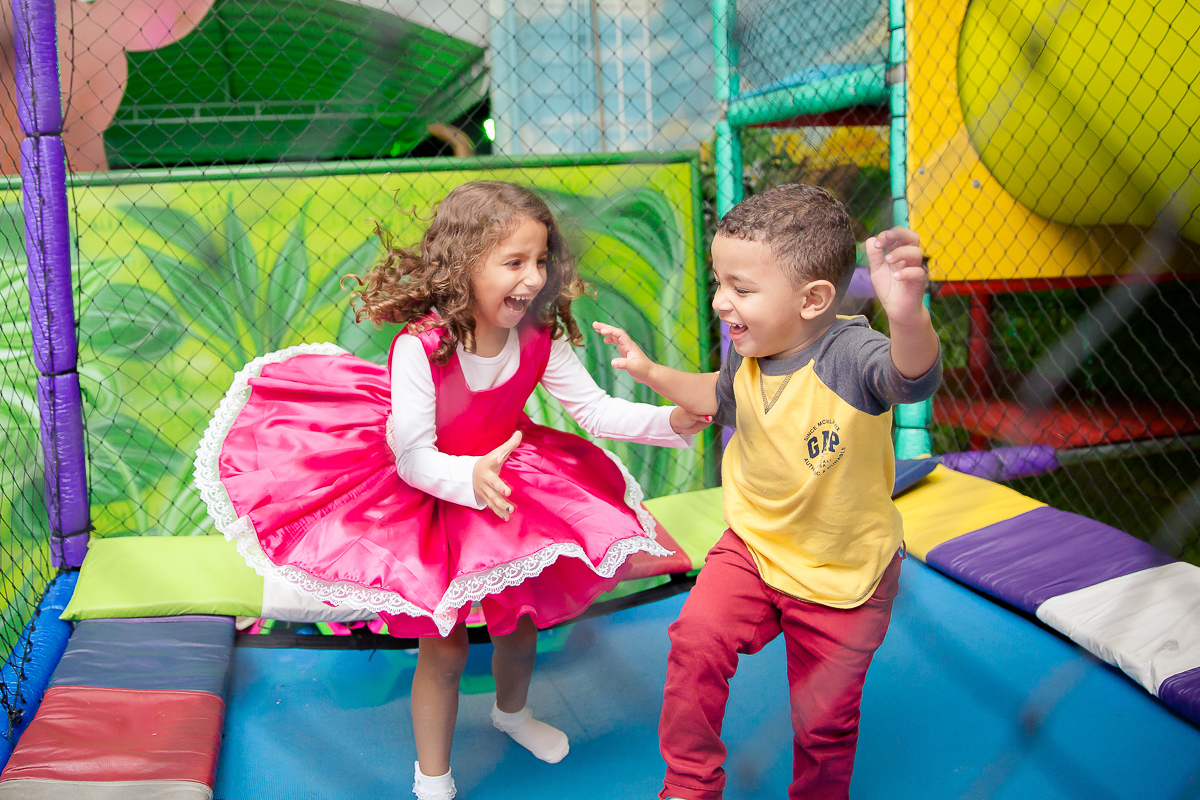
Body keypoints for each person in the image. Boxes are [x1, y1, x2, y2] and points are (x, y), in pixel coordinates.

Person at [194, 181, 709, 800]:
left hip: (504, 478)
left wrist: (672, 421)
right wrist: (467, 478)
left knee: (520, 619)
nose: (532, 278)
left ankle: (512, 713)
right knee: (444, 646)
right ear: (465, 265)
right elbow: (412, 455)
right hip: (429, 490)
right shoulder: (423, 346)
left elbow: (595, 411)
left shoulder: (539, 335)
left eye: (540, 260)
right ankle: (432, 776)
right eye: (514, 262)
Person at [593, 183, 941, 800]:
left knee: (823, 723)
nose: (720, 301)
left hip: (842, 571)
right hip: (754, 547)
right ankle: (690, 784)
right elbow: (717, 396)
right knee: (696, 640)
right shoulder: (749, 351)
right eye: (719, 282)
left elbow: (909, 378)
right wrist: (650, 373)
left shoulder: (850, 355)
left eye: (741, 288)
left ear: (813, 299)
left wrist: (908, 318)